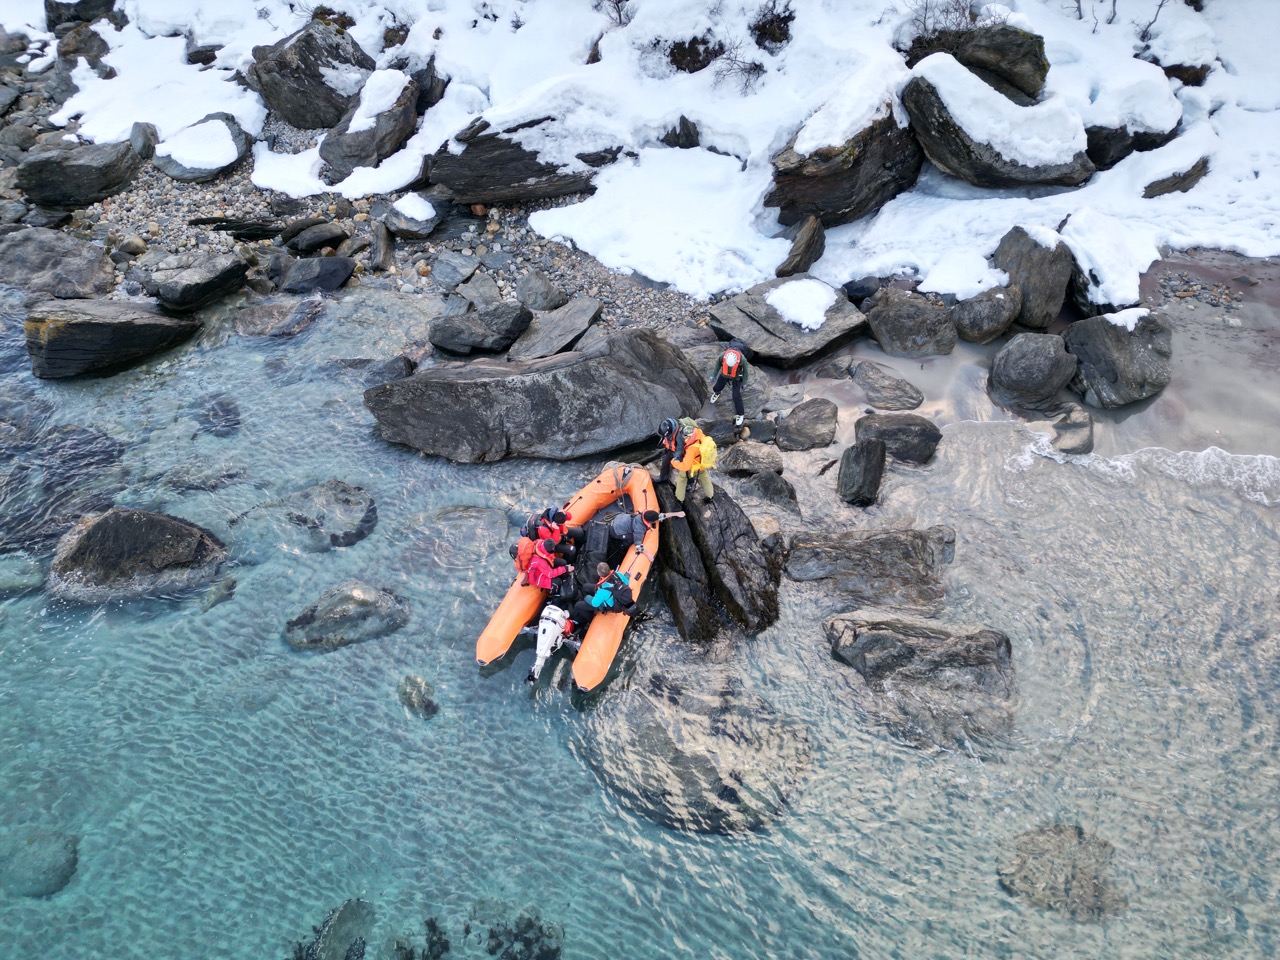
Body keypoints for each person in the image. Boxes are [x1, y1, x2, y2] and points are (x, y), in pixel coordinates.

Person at [571, 562, 636, 630]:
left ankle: (590, 619)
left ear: (599, 574)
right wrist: (627, 575)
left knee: (578, 605)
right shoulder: (618, 574)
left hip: (610, 605)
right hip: (614, 596)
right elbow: (626, 582)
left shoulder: (603, 590)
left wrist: (587, 598)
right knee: (585, 587)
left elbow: (595, 603)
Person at [670, 417, 714, 503]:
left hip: (693, 466)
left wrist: (674, 462)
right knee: (705, 478)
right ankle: (710, 496)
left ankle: (679, 500)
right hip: (702, 463)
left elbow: (685, 467)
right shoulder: (699, 433)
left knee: (682, 478)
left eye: (683, 436)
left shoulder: (691, 449)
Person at [709, 340, 749, 431]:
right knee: (717, 387)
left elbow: (746, 372)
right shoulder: (723, 356)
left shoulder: (742, 360)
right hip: (724, 373)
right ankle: (717, 392)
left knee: (736, 395)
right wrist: (713, 375)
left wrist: (744, 382)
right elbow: (717, 365)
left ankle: (740, 414)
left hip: (737, 377)